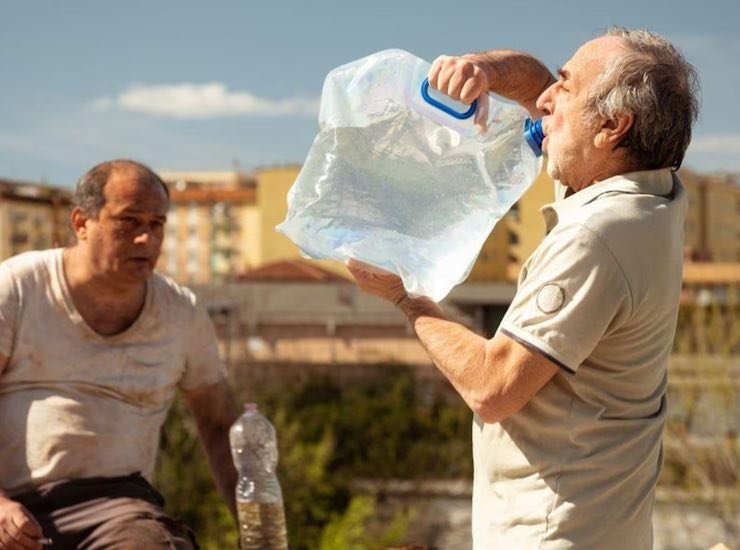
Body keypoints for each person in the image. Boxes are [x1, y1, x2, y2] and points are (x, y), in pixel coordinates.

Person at [349, 27, 699, 549]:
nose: (543, 101)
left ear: (611, 127)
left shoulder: (596, 238)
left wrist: (407, 297)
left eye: (566, 88)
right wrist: (482, 70)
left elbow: (493, 388)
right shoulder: (649, 193)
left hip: (551, 533)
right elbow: (535, 81)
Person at [0, 160, 238, 549]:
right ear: (81, 223)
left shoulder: (181, 313)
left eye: (156, 225)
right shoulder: (18, 286)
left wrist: (260, 532)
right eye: (128, 222)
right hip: (12, 506)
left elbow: (219, 428)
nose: (146, 239)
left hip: (118, 508)